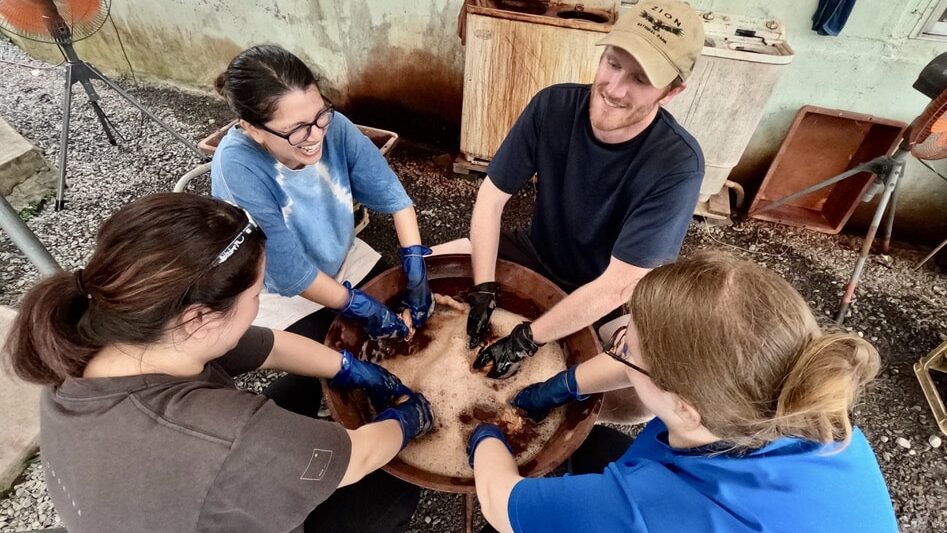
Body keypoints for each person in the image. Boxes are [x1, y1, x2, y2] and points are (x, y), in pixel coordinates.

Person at [4, 193, 435, 533]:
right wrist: (413, 416)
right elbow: (358, 458)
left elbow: (272, 346)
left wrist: (349, 367)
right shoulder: (226, 433)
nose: (259, 305)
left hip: (159, 501)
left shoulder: (110, 334)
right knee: (390, 484)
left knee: (297, 386)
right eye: (256, 297)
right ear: (198, 319)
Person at [466, 252, 898, 533]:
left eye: (626, 350)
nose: (618, 352)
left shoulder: (651, 511)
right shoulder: (813, 414)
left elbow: (498, 502)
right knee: (595, 444)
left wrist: (484, 429)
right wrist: (559, 387)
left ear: (686, 408)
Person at [461, 1, 705, 416]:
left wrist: (525, 339)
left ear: (672, 90)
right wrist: (484, 288)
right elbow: (490, 199)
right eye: (612, 63)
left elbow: (619, 284)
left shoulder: (678, 164)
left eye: (641, 80)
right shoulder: (551, 107)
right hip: (537, 253)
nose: (613, 88)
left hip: (606, 292)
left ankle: (553, 406)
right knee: (432, 263)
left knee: (638, 390)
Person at [212, 44, 432, 341]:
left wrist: (415, 262)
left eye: (320, 115)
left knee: (411, 329)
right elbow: (290, 273)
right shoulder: (237, 166)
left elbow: (396, 199)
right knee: (337, 356)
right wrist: (359, 306)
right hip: (280, 291)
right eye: (297, 129)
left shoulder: (335, 128)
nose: (315, 136)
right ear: (253, 129)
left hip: (342, 259)